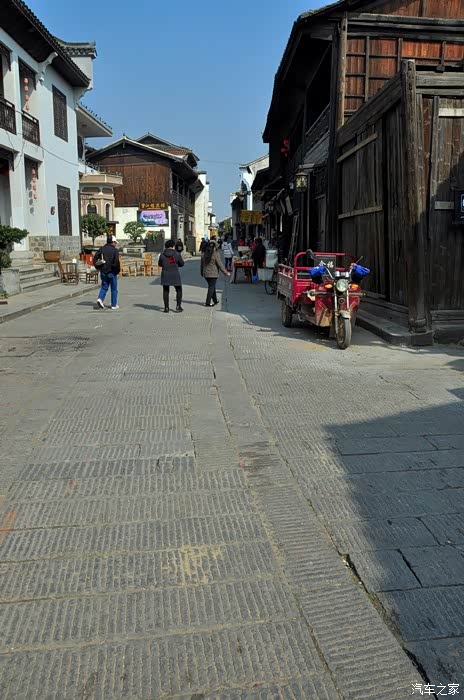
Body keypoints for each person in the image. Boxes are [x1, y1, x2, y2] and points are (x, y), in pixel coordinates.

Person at [158, 239, 185, 313]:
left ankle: (166, 308)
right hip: (175, 274)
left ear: (166, 246)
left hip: (165, 274)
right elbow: (182, 264)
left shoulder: (162, 254)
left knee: (166, 291)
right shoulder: (177, 254)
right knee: (179, 290)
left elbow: (160, 264)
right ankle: (178, 306)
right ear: (173, 246)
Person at [201, 240, 230, 307]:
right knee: (211, 287)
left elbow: (201, 265)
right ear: (214, 247)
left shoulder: (204, 254)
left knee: (212, 286)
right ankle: (207, 302)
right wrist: (226, 272)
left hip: (206, 274)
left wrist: (202, 272)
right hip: (213, 274)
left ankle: (215, 300)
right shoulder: (215, 254)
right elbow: (220, 264)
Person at [95, 235, 121, 310]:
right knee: (114, 289)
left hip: (103, 271)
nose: (116, 244)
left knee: (104, 287)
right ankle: (113, 304)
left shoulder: (102, 249)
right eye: (115, 242)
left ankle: (100, 299)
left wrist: (98, 267)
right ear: (112, 242)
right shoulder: (115, 250)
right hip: (112, 272)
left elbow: (95, 258)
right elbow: (116, 262)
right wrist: (117, 271)